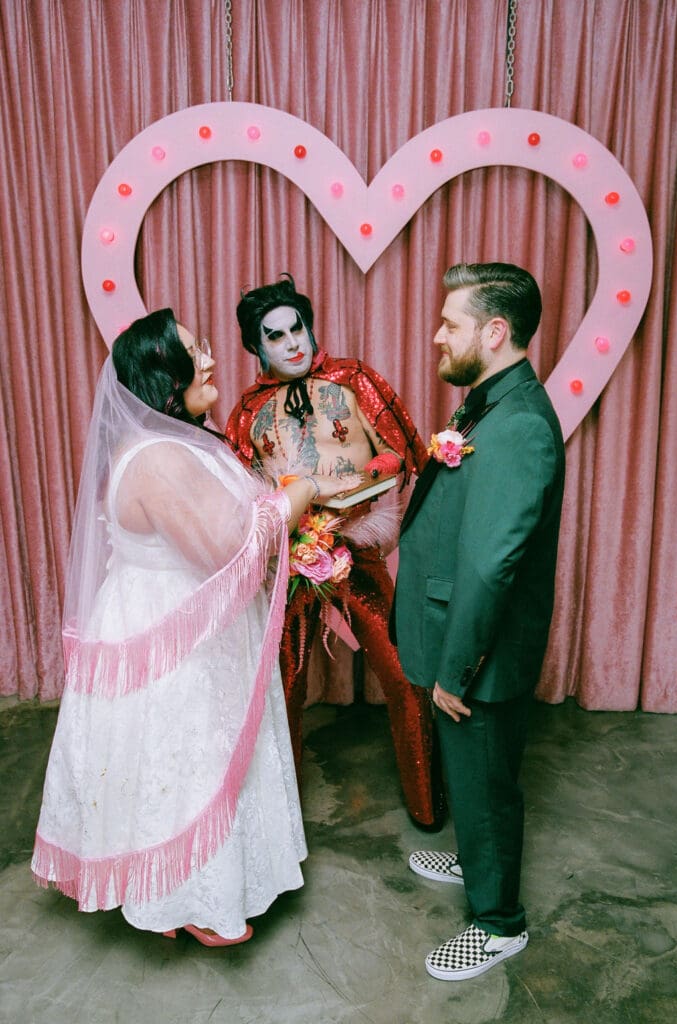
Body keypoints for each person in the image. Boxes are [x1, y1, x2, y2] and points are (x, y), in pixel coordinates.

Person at [31, 309, 356, 946]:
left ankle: (186, 888)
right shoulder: (157, 458)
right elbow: (227, 548)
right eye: (193, 352)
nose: (209, 359)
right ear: (164, 378)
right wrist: (300, 494)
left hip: (180, 618)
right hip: (173, 632)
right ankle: (188, 898)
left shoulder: (173, 443)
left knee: (171, 760)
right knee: (182, 760)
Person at [393, 263, 565, 980]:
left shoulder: (519, 423)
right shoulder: (490, 401)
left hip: (477, 656)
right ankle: (475, 859)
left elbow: (494, 566)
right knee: (473, 773)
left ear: (495, 332)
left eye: (450, 324)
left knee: (489, 780)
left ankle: (498, 924)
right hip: (456, 635)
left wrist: (457, 669)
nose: (437, 336)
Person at [226, 274, 444, 829]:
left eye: (297, 328)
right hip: (291, 565)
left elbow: (402, 454)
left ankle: (428, 805)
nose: (293, 342)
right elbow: (243, 497)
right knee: (284, 687)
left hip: (356, 547)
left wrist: (357, 481)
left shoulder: (353, 378)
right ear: (257, 347)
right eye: (275, 336)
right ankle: (278, 826)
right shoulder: (248, 414)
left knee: (402, 673)